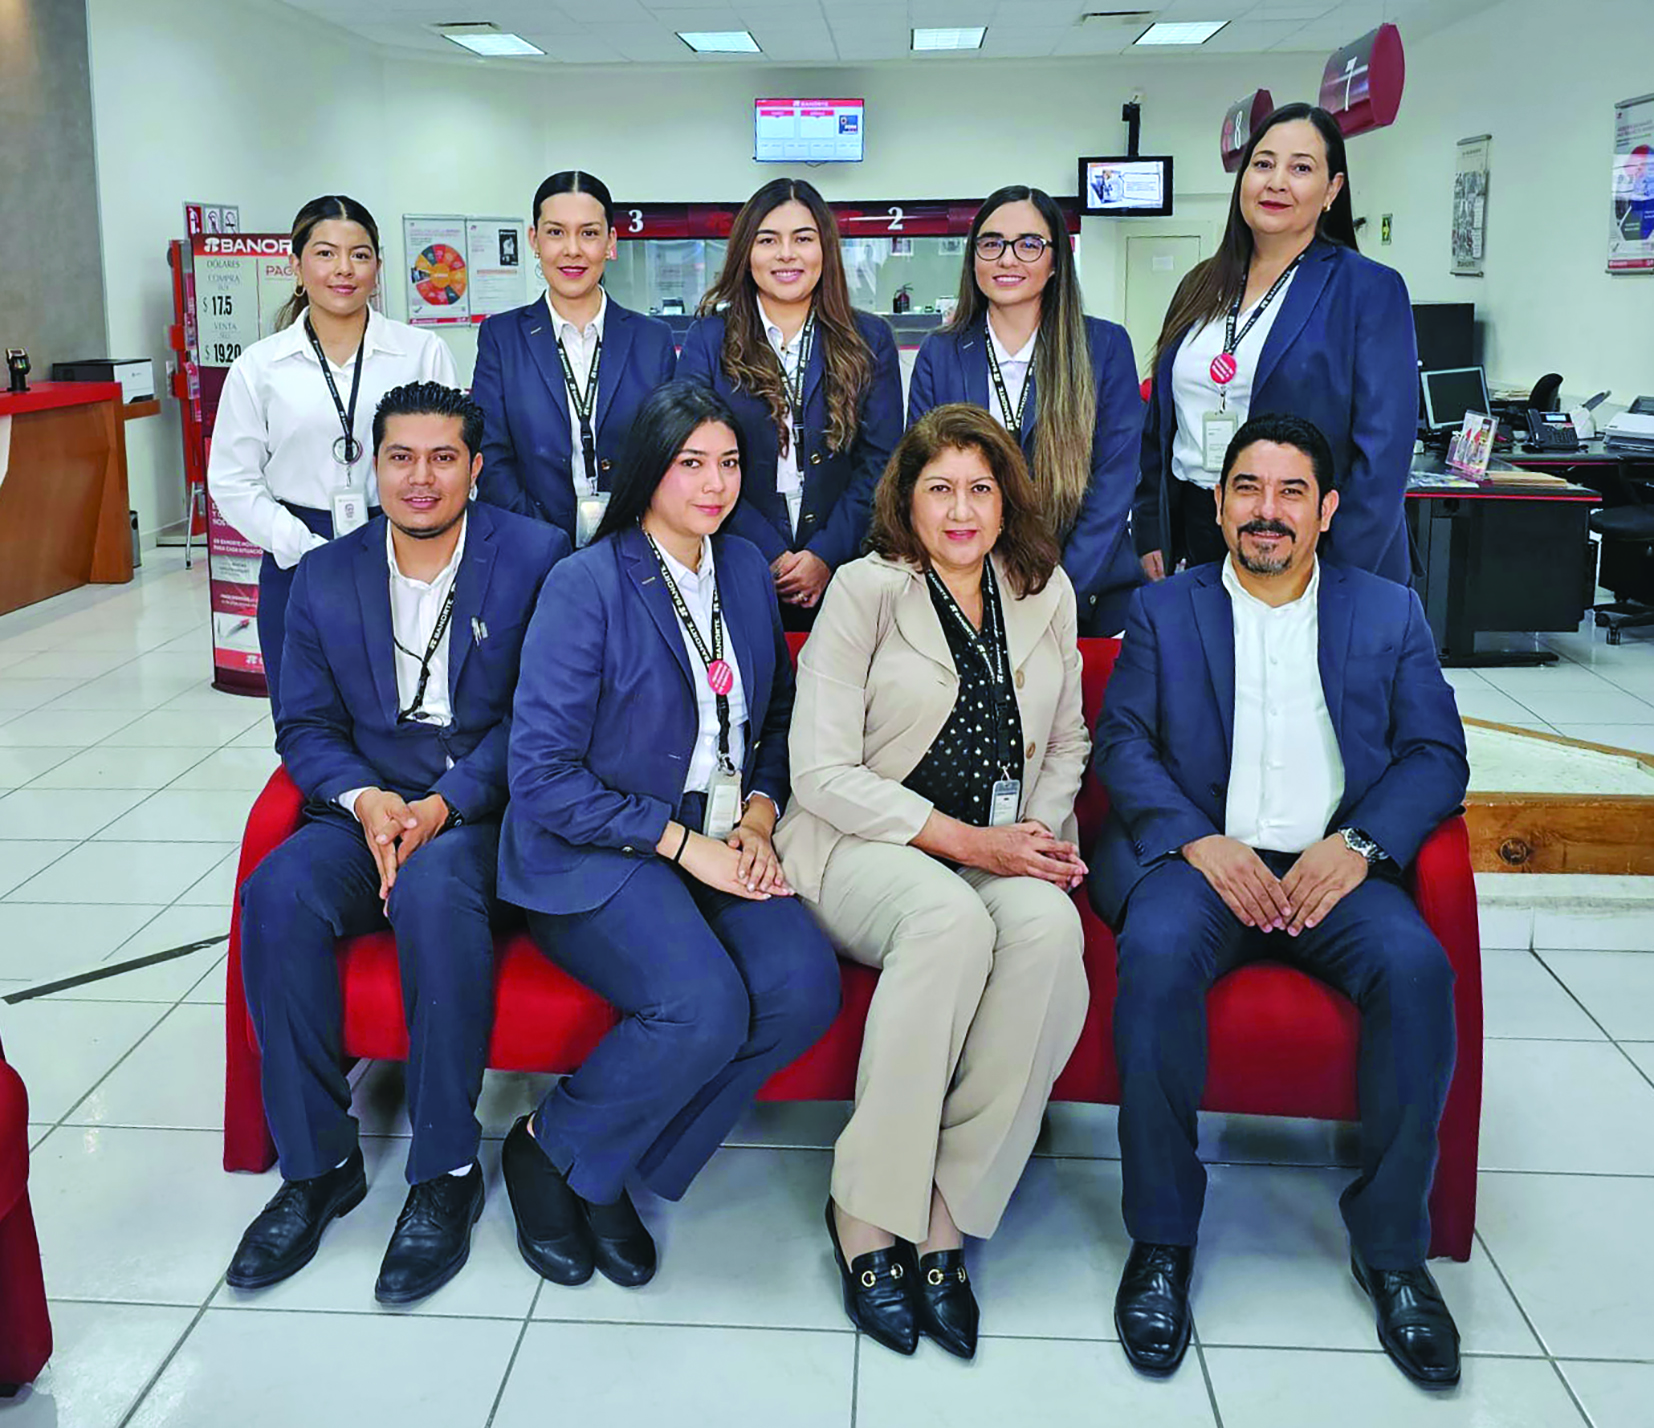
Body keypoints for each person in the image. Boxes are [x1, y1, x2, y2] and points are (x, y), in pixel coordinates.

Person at [1092, 413, 1468, 1389]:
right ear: (1219, 506)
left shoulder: (1387, 612)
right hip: (1204, 867)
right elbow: (1122, 744)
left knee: (1417, 970)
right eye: (1248, 490)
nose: (1268, 512)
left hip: (1333, 868)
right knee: (1155, 955)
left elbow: (1436, 755)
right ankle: (1162, 1240)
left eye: (1291, 492)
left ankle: (1391, 1250)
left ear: (1327, 509)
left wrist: (1359, 845)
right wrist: (1198, 840)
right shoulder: (1164, 611)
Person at [227, 382, 569, 1305]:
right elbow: (304, 727)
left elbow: (543, 721)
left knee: (433, 891)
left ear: (475, 468)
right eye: (401, 458)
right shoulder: (324, 575)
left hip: (483, 812)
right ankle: (318, 1165)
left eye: (443, 458)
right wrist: (370, 799)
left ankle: (446, 1171)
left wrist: (445, 806)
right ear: (374, 466)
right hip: (366, 810)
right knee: (276, 894)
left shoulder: (536, 557)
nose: (421, 478)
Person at [496, 380, 841, 1290]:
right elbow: (542, 776)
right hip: (599, 848)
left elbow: (778, 714)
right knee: (704, 1005)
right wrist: (686, 847)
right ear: (650, 469)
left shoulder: (744, 569)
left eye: (729, 464)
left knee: (804, 988)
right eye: (691, 463)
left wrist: (760, 812)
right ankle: (547, 1148)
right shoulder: (586, 584)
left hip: (723, 833)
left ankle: (601, 1159)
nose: (714, 484)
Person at [775, 403, 1091, 1360]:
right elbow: (820, 772)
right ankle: (867, 1211)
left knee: (1049, 934)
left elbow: (1067, 738)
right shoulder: (865, 590)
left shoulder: (1045, 590)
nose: (961, 510)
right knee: (949, 920)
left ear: (1007, 500)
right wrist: (969, 845)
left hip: (995, 846)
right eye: (940, 488)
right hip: (861, 844)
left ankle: (948, 1212)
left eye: (981, 489)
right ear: (906, 502)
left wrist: (1033, 837)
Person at [1134, 104, 1417, 585]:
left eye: (1301, 168)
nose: (1277, 182)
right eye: (1263, 164)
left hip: (1311, 542)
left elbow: (1383, 458)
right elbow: (1161, 423)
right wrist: (1150, 527)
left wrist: (1341, 574)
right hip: (1200, 527)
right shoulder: (1200, 284)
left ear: (1332, 190)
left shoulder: (1366, 289)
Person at [207, 195, 457, 716]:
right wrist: (303, 546)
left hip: (404, 546)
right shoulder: (260, 366)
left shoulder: (421, 352)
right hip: (297, 553)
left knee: (406, 710)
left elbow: (450, 456)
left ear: (377, 267)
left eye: (359, 255)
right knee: (306, 715)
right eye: (325, 253)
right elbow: (232, 480)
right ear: (296, 267)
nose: (344, 269)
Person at [908, 185, 1143, 636]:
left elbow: (1112, 489)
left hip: (1085, 596)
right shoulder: (941, 353)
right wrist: (970, 592)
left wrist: (1057, 595)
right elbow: (921, 482)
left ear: (1055, 262)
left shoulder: (1104, 347)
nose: (1007, 259)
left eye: (1029, 244)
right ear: (974, 258)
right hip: (966, 596)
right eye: (992, 243)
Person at [676, 177, 902, 628]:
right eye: (768, 240)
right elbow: (692, 459)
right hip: (734, 562)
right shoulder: (709, 339)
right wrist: (771, 554)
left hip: (848, 569)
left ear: (825, 249)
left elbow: (882, 462)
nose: (786, 254)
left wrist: (825, 554)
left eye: (802, 239)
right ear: (746, 252)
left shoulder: (869, 339)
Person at [472, 170, 677, 547]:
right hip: (529, 546)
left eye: (589, 233)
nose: (572, 250)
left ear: (610, 242)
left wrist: (634, 534)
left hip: (636, 544)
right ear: (534, 240)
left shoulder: (653, 339)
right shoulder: (501, 337)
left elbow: (669, 453)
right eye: (555, 232)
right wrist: (542, 541)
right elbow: (491, 454)